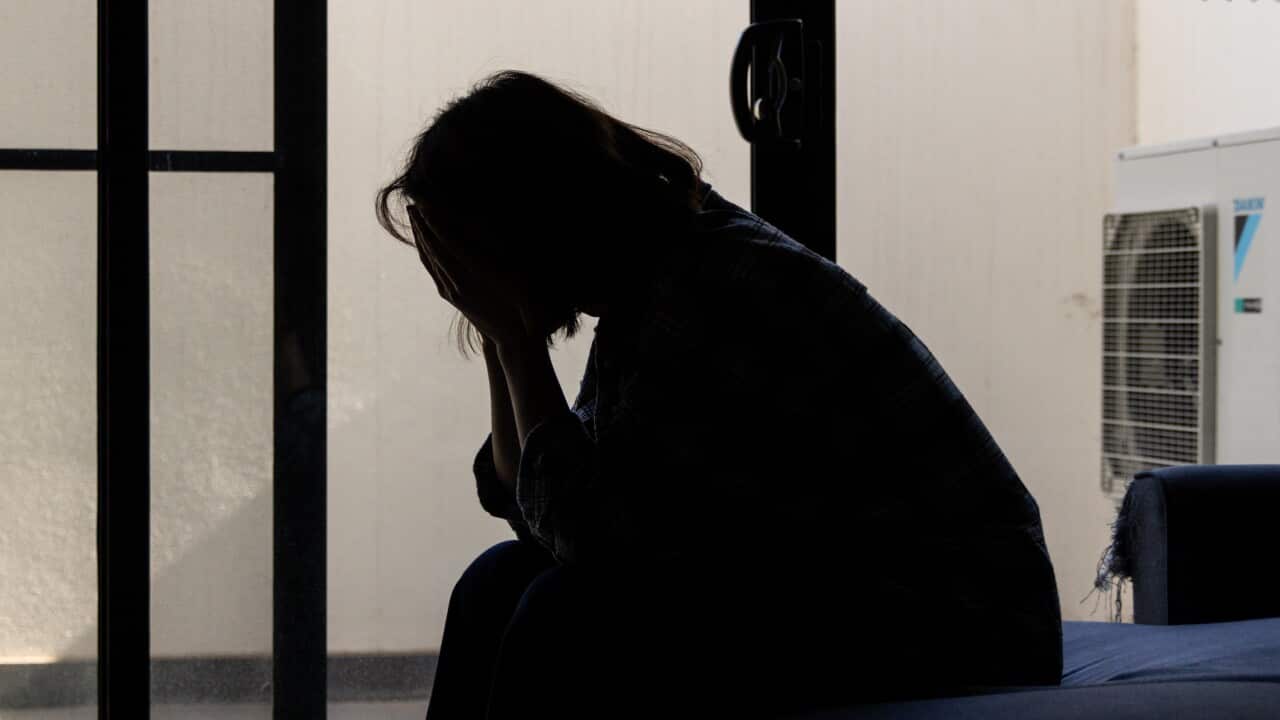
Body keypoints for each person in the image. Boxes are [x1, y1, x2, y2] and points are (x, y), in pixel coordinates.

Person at [376, 70, 1063, 719]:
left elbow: (597, 543)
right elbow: (544, 508)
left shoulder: (711, 289)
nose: (459, 277)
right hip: (836, 586)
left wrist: (519, 344)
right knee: (497, 580)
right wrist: (501, 338)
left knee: (568, 612)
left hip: (956, 619)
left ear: (533, 222)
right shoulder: (646, 280)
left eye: (468, 254)